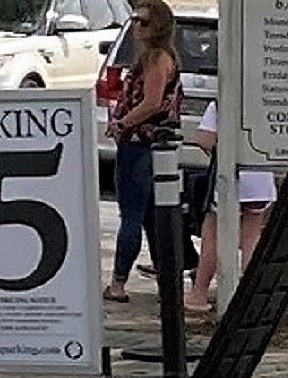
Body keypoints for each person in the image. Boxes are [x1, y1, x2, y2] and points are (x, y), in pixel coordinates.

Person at [103, 0, 180, 303]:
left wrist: (122, 122)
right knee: (150, 217)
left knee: (132, 215)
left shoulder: (157, 59)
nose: (136, 27)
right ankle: (168, 280)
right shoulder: (153, 57)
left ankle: (119, 282)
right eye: (134, 20)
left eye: (143, 22)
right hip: (145, 145)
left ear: (159, 26)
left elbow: (151, 102)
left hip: (140, 145)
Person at [184, 100, 273, 314]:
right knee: (251, 239)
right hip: (261, 176)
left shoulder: (221, 102)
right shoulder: (266, 100)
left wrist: (220, 153)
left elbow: (204, 139)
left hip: (230, 178)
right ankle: (251, 294)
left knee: (213, 236)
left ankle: (199, 294)